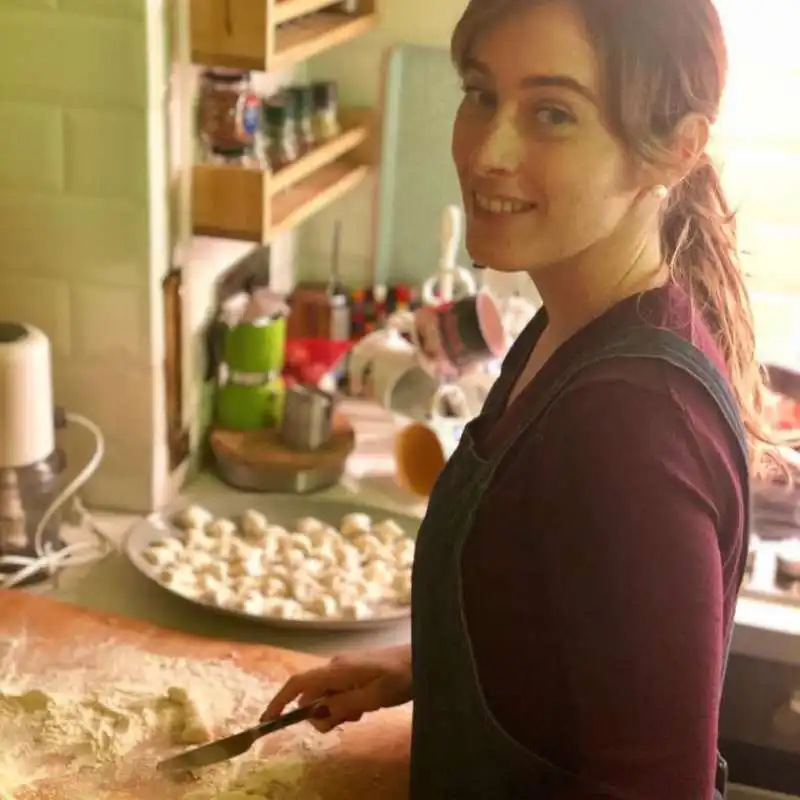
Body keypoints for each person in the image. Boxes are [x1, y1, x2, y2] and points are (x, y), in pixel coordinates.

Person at [264, 1, 770, 796]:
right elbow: (567, 639)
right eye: (481, 94)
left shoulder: (630, 431)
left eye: (553, 113)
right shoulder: (567, 329)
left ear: (673, 150)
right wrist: (418, 670)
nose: (487, 152)